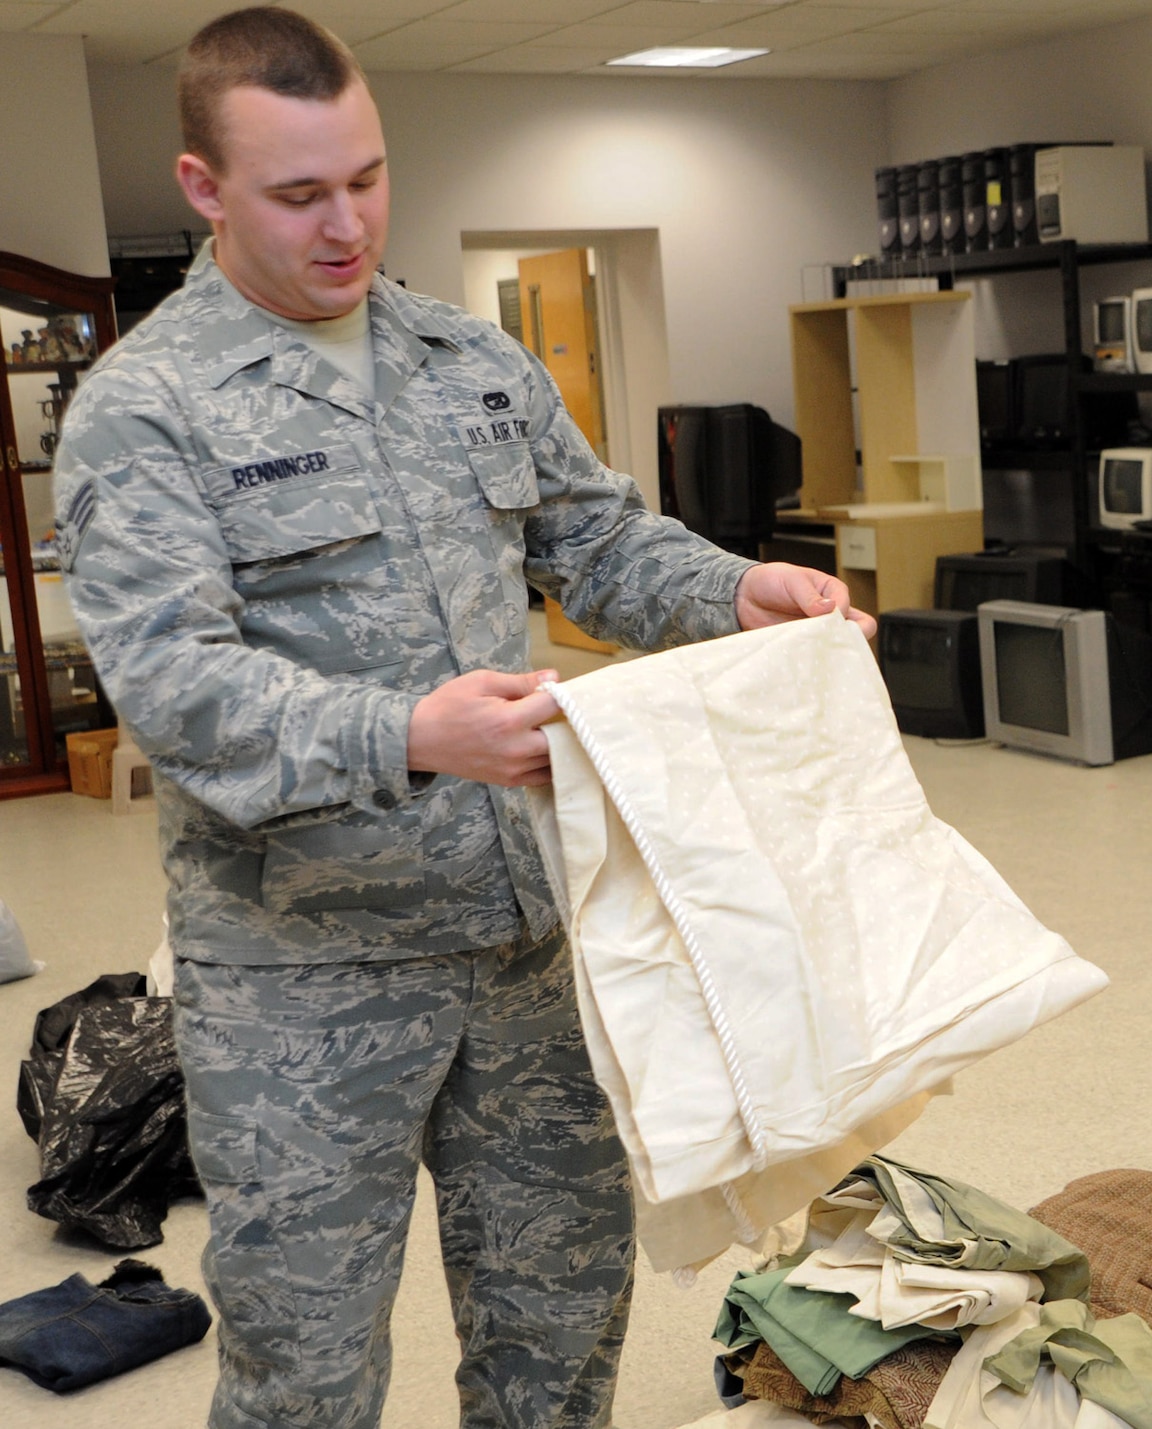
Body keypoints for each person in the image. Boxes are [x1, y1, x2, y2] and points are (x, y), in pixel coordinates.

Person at [53, 8, 870, 1427]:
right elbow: (174, 689)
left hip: (528, 945)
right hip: (306, 977)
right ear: (204, 189)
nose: (347, 223)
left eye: (366, 178)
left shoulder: (465, 359)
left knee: (559, 1322)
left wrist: (740, 589)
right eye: (299, 194)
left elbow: (601, 547)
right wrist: (409, 733)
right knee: (306, 1368)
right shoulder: (149, 407)